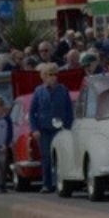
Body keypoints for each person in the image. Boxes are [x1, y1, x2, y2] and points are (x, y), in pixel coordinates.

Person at [30, 62, 74, 193]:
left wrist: (67, 127)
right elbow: (32, 112)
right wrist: (35, 129)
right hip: (44, 130)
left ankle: (59, 183)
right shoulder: (39, 91)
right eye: (50, 74)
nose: (53, 77)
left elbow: (69, 110)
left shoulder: (63, 90)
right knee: (46, 157)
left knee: (59, 156)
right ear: (44, 76)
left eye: (55, 74)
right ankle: (46, 184)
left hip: (59, 130)